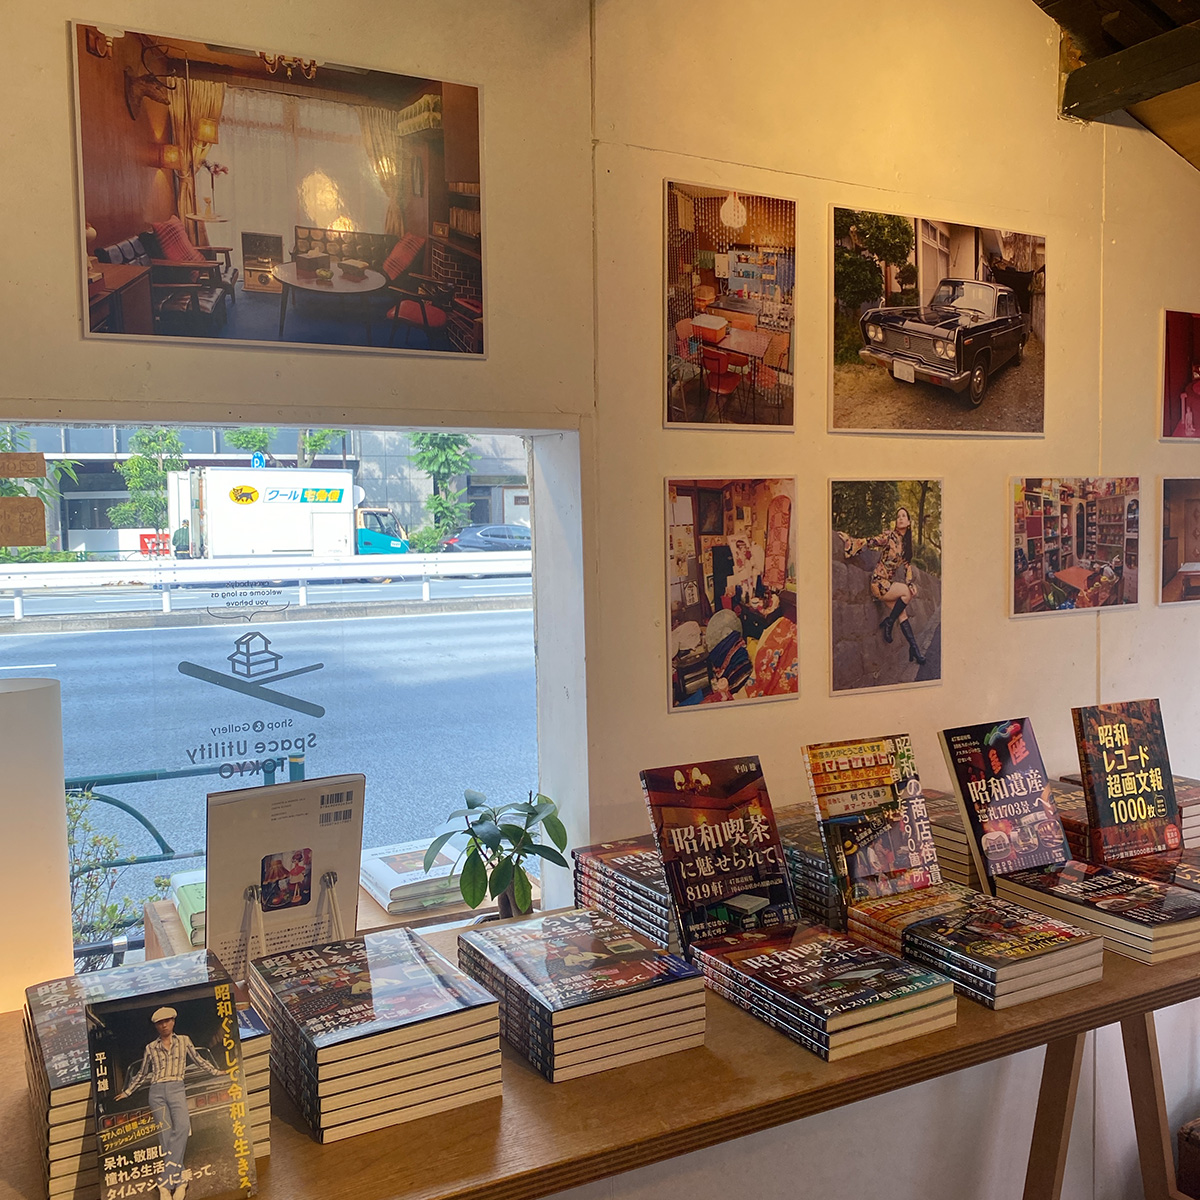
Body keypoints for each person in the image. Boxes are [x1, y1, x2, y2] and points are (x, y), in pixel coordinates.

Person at [114, 1005, 225, 1200]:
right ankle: (179, 1182)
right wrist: (127, 1091)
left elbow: (198, 1060)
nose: (164, 1025)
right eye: (160, 1023)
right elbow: (143, 1073)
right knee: (165, 1135)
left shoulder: (184, 1041)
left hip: (176, 1088)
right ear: (156, 1026)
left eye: (167, 1021)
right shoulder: (151, 1047)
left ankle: (165, 1181)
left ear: (173, 1021)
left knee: (182, 1127)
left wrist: (217, 1072)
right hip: (156, 1092)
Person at [838, 507, 926, 665]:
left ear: (909, 522)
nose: (900, 518)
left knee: (902, 614)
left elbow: (907, 566)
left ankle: (915, 650)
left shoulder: (905, 545)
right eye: (898, 516)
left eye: (903, 516)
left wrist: (910, 582)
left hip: (888, 585)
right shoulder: (890, 536)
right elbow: (871, 541)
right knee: (907, 593)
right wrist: (849, 540)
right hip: (878, 582)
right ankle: (889, 622)